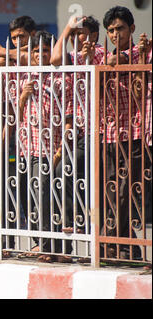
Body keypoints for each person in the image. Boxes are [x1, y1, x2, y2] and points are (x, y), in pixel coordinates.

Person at [17, 31, 79, 262]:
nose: (41, 55)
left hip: (57, 148)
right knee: (37, 196)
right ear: (30, 55)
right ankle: (46, 245)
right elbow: (16, 116)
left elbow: (72, 114)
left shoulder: (62, 78)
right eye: (36, 51)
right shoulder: (24, 77)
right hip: (32, 149)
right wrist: (23, 97)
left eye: (45, 50)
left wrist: (63, 146)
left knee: (59, 197)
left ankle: (63, 249)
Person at [98, 6, 152, 259]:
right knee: (111, 191)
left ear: (131, 29)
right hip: (109, 133)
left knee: (126, 191)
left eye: (119, 29)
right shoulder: (105, 57)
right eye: (110, 30)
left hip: (136, 131)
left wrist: (127, 59)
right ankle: (123, 247)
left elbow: (116, 62)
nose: (114, 34)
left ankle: (116, 243)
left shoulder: (143, 54)